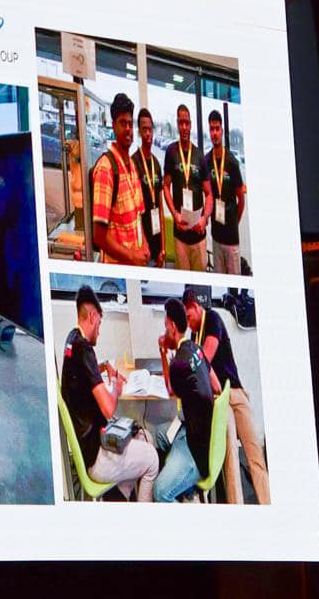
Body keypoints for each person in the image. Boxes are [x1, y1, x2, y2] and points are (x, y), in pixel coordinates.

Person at [60, 286, 158, 501]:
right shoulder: (85, 349)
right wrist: (116, 386)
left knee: (144, 436)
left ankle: (118, 499)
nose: (99, 331)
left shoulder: (72, 340)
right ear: (93, 316)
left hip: (89, 445)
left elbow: (83, 372)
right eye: (100, 323)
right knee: (152, 458)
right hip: (97, 456)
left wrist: (103, 366)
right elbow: (108, 408)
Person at [184, 288, 269, 504]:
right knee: (230, 458)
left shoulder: (213, 318)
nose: (188, 323)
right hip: (220, 399)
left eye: (188, 316)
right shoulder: (193, 335)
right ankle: (236, 507)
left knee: (254, 454)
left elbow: (205, 359)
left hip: (234, 392)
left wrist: (190, 367)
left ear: (195, 306)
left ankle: (267, 502)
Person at [154, 298, 220, 503]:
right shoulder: (196, 348)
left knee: (159, 492)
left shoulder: (178, 363)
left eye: (166, 326)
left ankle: (181, 493)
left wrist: (163, 352)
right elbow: (217, 387)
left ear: (173, 327)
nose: (165, 331)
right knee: (159, 433)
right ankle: (186, 489)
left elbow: (169, 390)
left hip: (195, 446)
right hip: (197, 430)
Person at [90, 93, 149, 266]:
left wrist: (144, 244)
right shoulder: (106, 169)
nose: (128, 129)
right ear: (114, 126)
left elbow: (138, 216)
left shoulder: (132, 165)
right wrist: (131, 256)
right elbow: (99, 236)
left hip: (136, 264)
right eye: (123, 123)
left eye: (130, 124)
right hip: (118, 269)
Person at [200, 110, 246, 275]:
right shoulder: (206, 161)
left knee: (234, 284)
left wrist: (233, 222)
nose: (214, 133)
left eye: (217, 129)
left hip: (231, 238)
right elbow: (207, 194)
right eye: (211, 129)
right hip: (216, 237)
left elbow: (241, 199)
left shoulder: (232, 162)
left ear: (222, 131)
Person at [162, 104, 207, 271]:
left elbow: (209, 194)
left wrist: (204, 218)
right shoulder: (171, 151)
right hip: (180, 235)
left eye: (187, 123)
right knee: (184, 283)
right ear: (177, 124)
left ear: (191, 124)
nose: (184, 127)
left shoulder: (199, 155)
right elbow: (166, 186)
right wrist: (174, 214)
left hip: (199, 236)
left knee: (201, 283)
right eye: (181, 123)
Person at [133, 107, 164, 269]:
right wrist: (142, 245)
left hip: (157, 241)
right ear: (139, 131)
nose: (148, 134)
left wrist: (163, 247)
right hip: (141, 243)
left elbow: (160, 206)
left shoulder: (156, 164)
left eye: (150, 129)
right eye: (144, 129)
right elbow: (134, 212)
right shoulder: (134, 162)